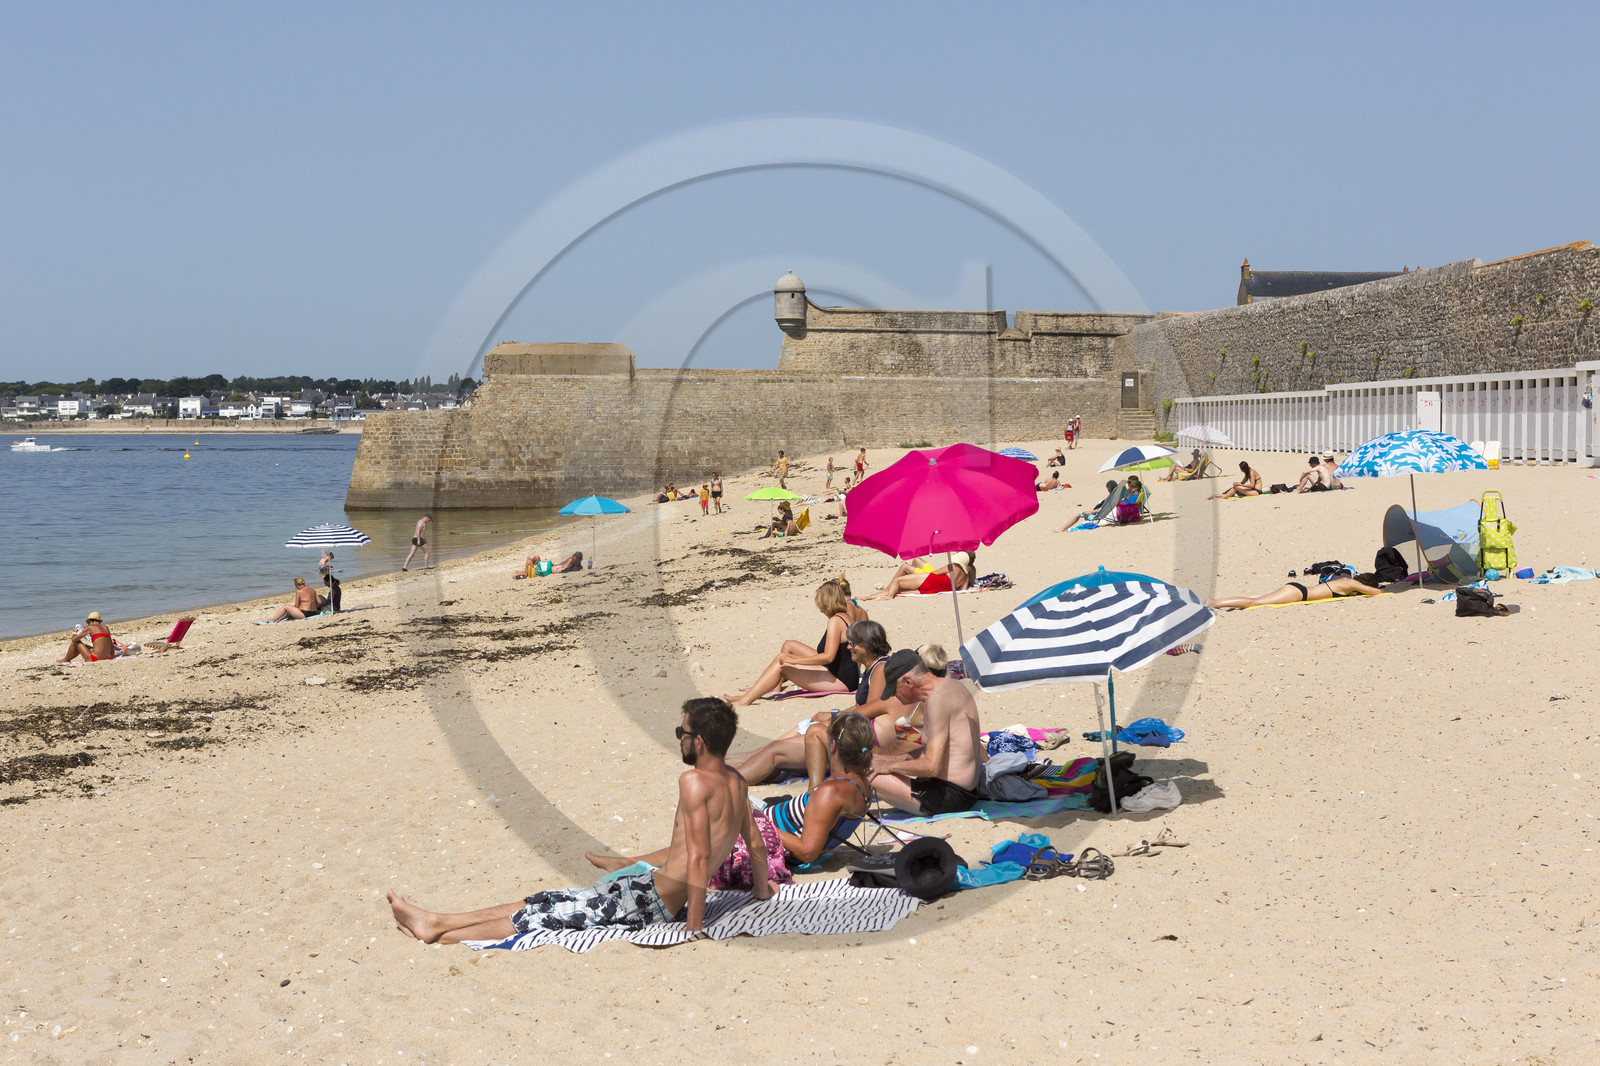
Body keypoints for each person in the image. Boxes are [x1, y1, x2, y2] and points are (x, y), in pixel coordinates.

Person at [388, 698, 772, 943]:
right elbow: (754, 845)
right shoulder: (737, 783)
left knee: (543, 919)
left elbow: (700, 859)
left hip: (650, 904)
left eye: (682, 733)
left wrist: (694, 925)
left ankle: (437, 929)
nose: (680, 740)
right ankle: (439, 920)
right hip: (646, 890)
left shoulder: (693, 782)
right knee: (547, 900)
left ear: (700, 741)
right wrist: (761, 893)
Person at [730, 619, 908, 787]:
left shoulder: (880, 669)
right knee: (787, 742)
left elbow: (868, 712)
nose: (848, 646)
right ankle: (743, 762)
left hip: (857, 740)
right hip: (858, 735)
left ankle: (725, 782)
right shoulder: (875, 668)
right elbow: (865, 707)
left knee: (779, 751)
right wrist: (832, 713)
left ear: (866, 645)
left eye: (853, 643)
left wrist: (832, 717)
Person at [869, 650, 985, 815]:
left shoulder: (936, 701)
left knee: (866, 773)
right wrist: (887, 759)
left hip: (950, 796)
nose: (894, 697)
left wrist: (890, 765)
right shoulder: (953, 686)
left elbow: (931, 766)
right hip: (970, 789)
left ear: (908, 682)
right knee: (877, 762)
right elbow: (943, 752)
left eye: (894, 691)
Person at [725, 580, 860, 706]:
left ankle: (746, 700)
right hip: (842, 674)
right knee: (787, 650)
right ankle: (755, 692)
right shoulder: (845, 617)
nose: (820, 608)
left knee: (782, 665)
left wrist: (795, 660)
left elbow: (828, 657)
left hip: (841, 681)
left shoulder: (835, 621)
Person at [1207, 572, 1387, 609]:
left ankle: (1217, 600)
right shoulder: (1350, 583)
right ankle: (1215, 603)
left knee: (1258, 597)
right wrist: (1373, 588)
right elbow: (1377, 593)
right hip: (1298, 594)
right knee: (1256, 602)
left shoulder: (1345, 580)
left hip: (1297, 589)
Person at [866, 552, 976, 599]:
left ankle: (886, 593)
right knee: (900, 592)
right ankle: (876, 595)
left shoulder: (951, 567)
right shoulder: (966, 575)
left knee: (898, 580)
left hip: (931, 580)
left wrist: (920, 575)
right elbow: (963, 589)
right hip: (938, 589)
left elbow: (934, 573)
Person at [515, 551, 584, 577]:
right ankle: (524, 572)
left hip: (545, 570)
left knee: (529, 562)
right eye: (574, 556)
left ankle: (524, 573)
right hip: (547, 566)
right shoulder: (570, 561)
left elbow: (566, 569)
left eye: (576, 557)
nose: (573, 558)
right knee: (537, 557)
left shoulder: (571, 564)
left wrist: (572, 560)